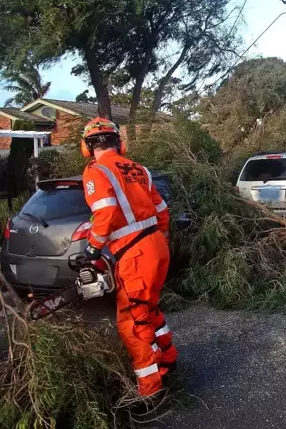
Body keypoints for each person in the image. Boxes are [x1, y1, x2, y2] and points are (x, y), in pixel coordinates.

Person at [80, 117, 177, 397]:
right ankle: (167, 360)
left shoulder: (96, 171)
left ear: (87, 148)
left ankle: (150, 389)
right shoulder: (139, 169)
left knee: (132, 322)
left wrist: (93, 249)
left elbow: (106, 211)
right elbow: (162, 210)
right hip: (157, 245)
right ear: (119, 143)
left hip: (134, 253)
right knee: (149, 308)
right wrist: (160, 242)